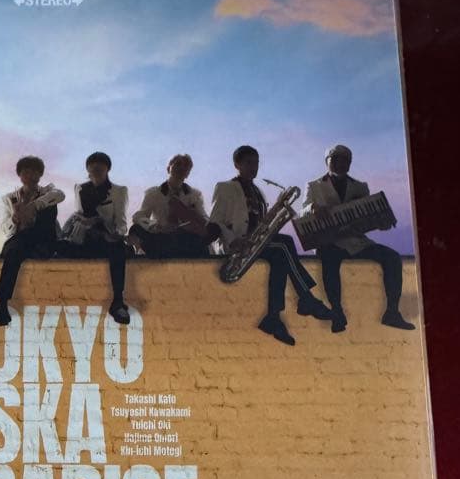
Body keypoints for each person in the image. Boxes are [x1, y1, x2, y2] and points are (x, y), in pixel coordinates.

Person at [208, 145, 332, 346]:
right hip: (237, 247)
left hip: (254, 243)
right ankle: (306, 299)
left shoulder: (258, 192)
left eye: (256, 163)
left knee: (283, 248)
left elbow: (262, 224)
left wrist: (276, 209)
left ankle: (273, 317)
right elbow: (215, 221)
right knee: (283, 247)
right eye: (249, 162)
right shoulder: (225, 187)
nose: (254, 167)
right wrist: (233, 240)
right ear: (237, 164)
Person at [303, 144, 415, 333]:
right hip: (329, 243)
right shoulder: (313, 186)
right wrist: (312, 208)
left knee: (393, 257)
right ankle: (337, 312)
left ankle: (392, 313)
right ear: (326, 162)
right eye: (335, 159)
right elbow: (302, 213)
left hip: (356, 242)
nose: (340, 163)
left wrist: (382, 222)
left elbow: (367, 220)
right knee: (329, 260)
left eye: (345, 160)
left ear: (350, 163)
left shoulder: (361, 187)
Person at [56, 151, 132, 324]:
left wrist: (113, 231)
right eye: (93, 167)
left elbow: (121, 222)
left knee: (118, 252)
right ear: (88, 169)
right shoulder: (80, 188)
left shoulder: (119, 191)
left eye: (100, 167)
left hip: (107, 238)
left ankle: (118, 302)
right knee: (58, 247)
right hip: (84, 239)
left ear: (107, 169)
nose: (96, 170)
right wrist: (82, 222)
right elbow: (79, 213)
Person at [0, 156, 64, 327]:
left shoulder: (48, 191)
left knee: (48, 207)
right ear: (20, 175)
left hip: (43, 241)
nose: (30, 175)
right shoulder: (10, 198)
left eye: (34, 171)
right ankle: (2, 305)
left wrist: (33, 207)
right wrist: (15, 219)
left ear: (40, 174)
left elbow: (59, 195)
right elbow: (6, 227)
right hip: (22, 243)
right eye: (25, 171)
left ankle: (2, 306)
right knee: (13, 250)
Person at [128, 153, 209, 258]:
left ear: (188, 173)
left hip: (185, 238)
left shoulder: (194, 195)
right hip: (162, 237)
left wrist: (190, 218)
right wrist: (156, 226)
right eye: (178, 164)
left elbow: (204, 219)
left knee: (202, 239)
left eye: (186, 166)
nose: (181, 168)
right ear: (168, 168)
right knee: (135, 228)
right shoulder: (154, 193)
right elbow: (138, 217)